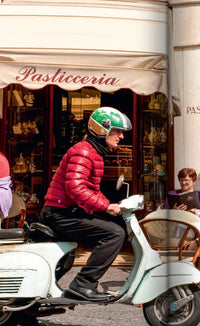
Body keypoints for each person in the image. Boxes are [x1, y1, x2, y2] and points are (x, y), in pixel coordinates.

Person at [41, 107, 132, 302]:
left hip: (64, 211)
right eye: (117, 131)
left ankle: (33, 305)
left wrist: (111, 205)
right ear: (102, 130)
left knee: (68, 257)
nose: (121, 136)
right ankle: (84, 285)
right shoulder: (84, 151)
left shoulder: (93, 152)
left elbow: (91, 190)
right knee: (115, 234)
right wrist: (106, 207)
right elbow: (75, 187)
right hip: (59, 213)